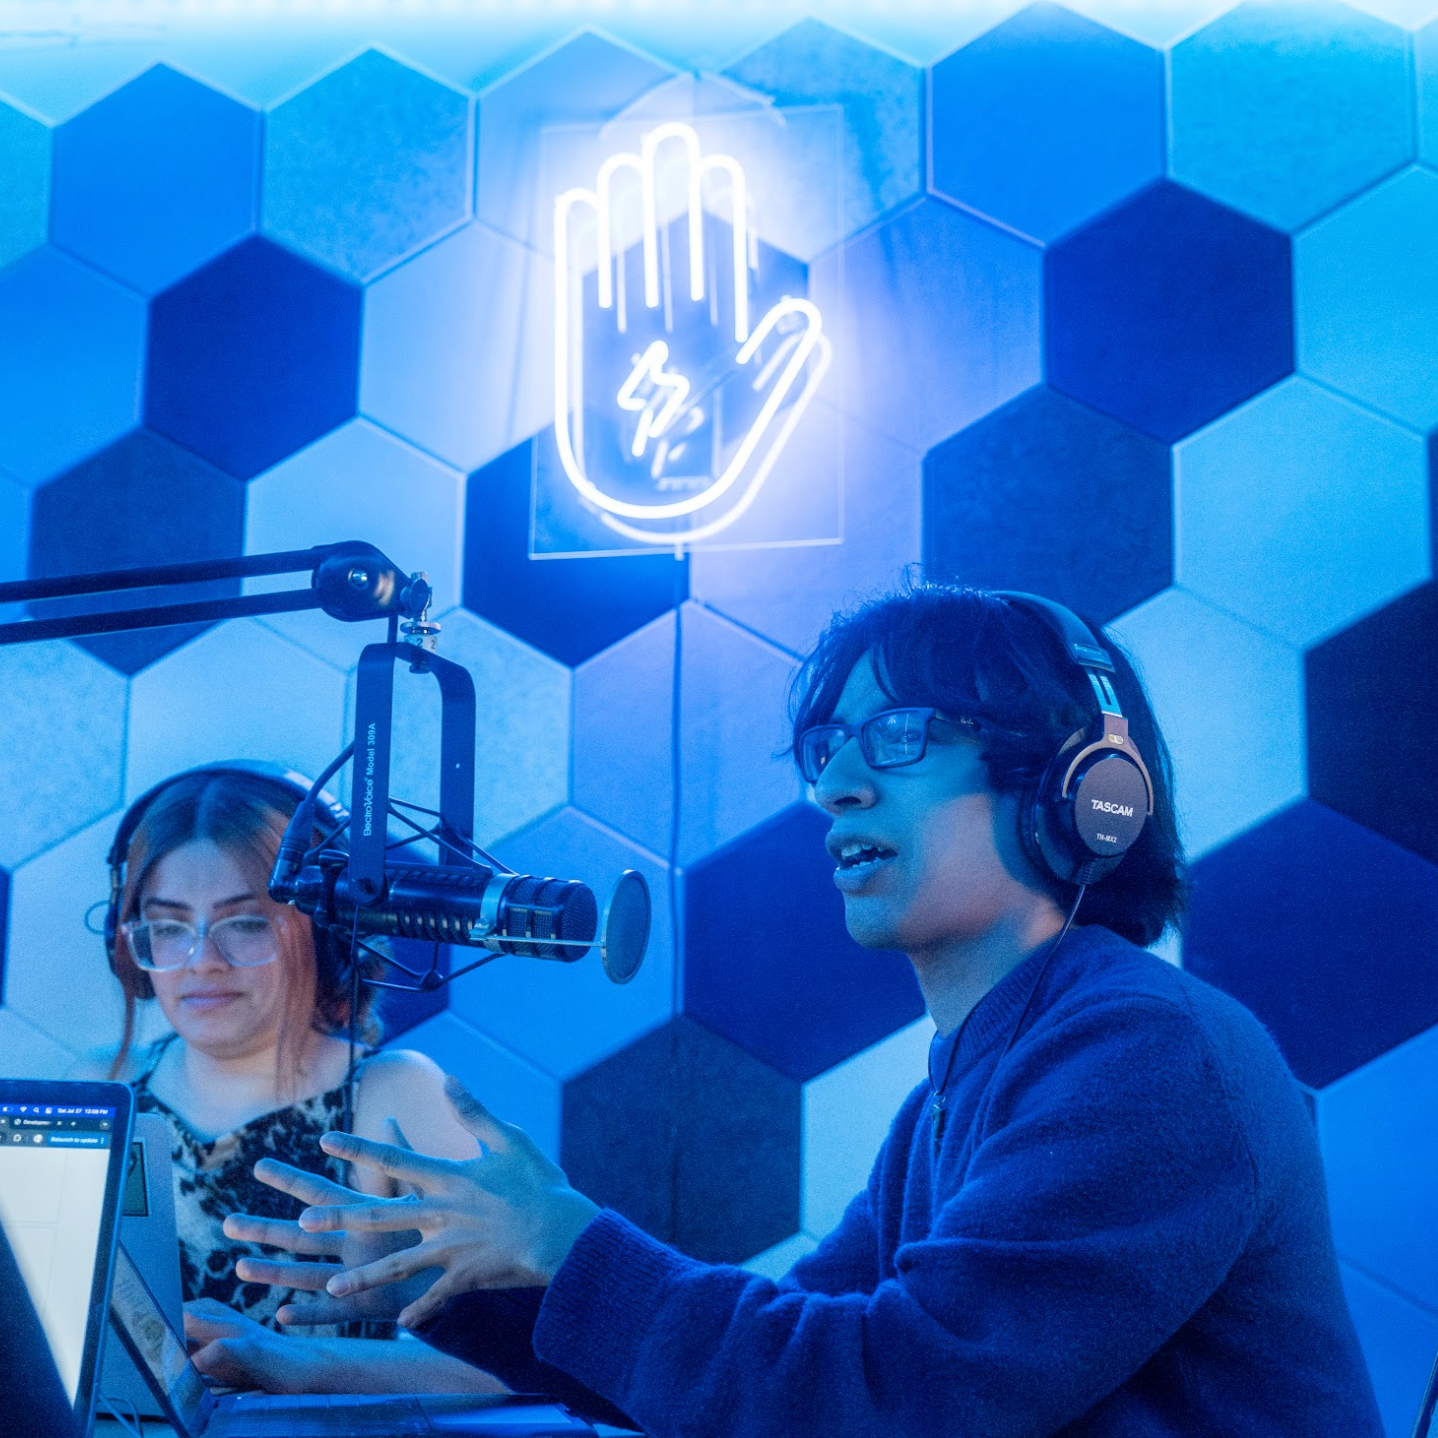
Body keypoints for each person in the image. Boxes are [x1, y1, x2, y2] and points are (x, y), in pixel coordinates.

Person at [227, 586, 1383, 1435]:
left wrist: (568, 1233)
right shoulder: (970, 1079)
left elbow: (892, 1396)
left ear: (1083, 786)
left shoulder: (1147, 1053)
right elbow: (768, 1369)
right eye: (829, 747)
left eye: (902, 736)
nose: (836, 785)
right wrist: (455, 1279)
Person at [75, 764, 501, 1396]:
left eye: (244, 923)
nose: (202, 963)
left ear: (326, 929)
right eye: (167, 927)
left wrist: (308, 1366)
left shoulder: (393, 1094)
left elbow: (518, 1364)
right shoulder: (100, 1088)